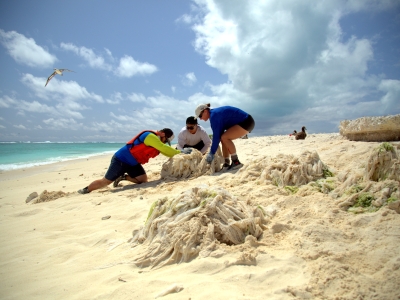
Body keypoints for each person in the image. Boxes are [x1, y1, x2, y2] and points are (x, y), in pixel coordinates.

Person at [77, 128, 192, 194]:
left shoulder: (158, 143)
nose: (164, 142)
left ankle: (123, 177)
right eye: (164, 139)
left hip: (133, 163)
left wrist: (179, 154)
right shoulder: (150, 136)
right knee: (105, 182)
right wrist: (180, 153)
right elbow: (164, 148)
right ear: (161, 133)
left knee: (143, 180)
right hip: (121, 160)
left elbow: (166, 152)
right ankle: (86, 189)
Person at [194, 103, 255, 170]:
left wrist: (211, 153)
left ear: (205, 111)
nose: (200, 119)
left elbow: (216, 137)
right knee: (223, 138)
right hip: (246, 122)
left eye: (200, 116)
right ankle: (226, 163)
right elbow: (219, 136)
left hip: (246, 122)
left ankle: (236, 162)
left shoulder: (214, 116)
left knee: (225, 137)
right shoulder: (214, 114)